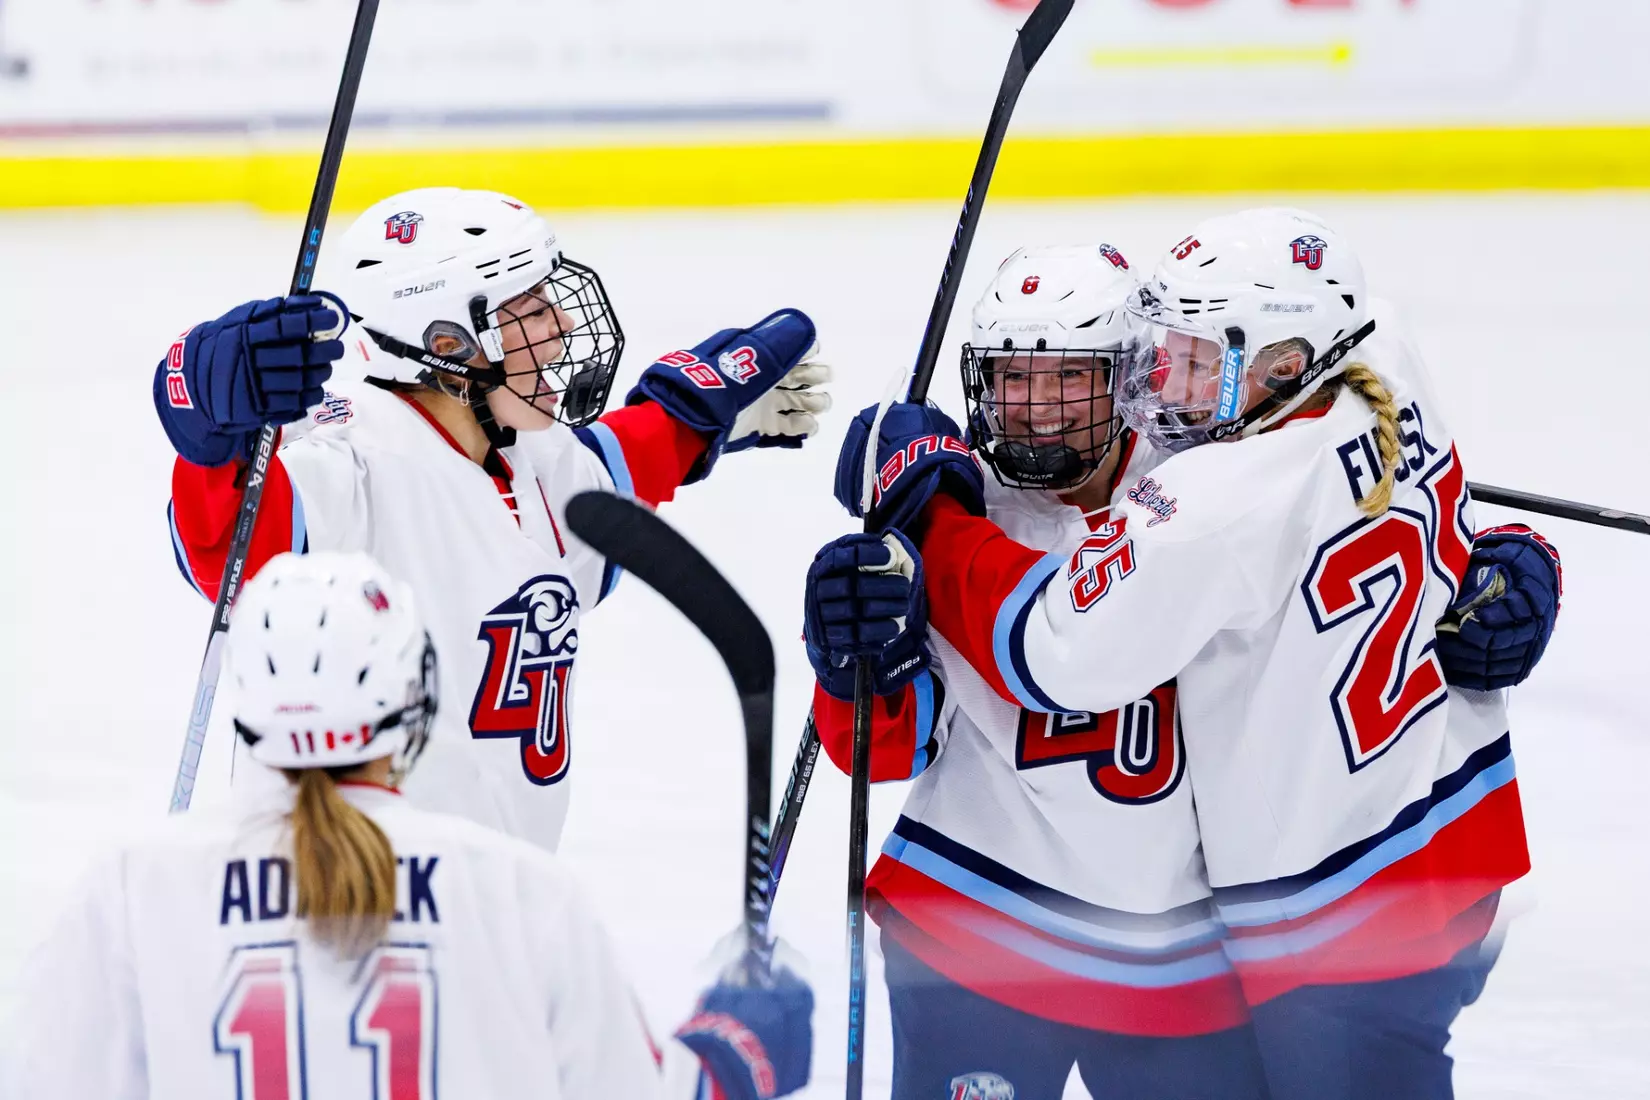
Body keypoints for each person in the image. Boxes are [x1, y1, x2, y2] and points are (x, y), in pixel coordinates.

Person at [805, 213, 1561, 1100]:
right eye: (1013, 379)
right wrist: (856, 653)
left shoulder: (1196, 486)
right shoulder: (968, 489)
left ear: (1133, 369)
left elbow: (1057, 639)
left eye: (1071, 381)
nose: (1037, 409)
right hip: (979, 931)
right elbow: (886, 747)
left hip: (1178, 961)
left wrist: (1515, 555)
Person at [158, 186, 832, 852]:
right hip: (352, 908)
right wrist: (210, 429)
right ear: (447, 341)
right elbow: (232, 548)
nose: (563, 325)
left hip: (498, 906)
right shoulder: (347, 464)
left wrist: (700, 416)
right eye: (532, 309)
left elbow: (613, 467)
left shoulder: (530, 455)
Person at [1, 551, 813, 1100]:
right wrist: (740, 1045)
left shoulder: (134, 887)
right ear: (416, 700)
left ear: (244, 704)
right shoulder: (519, 891)